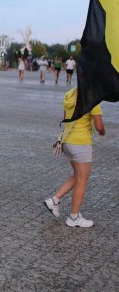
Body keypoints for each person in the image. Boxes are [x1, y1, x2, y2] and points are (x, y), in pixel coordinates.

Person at [44, 87, 105, 228]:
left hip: (67, 142)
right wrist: (103, 131)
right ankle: (74, 217)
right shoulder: (92, 96)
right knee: (82, 181)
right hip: (81, 144)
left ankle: (54, 200)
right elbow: (99, 126)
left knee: (77, 175)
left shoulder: (69, 93)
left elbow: (66, 119)